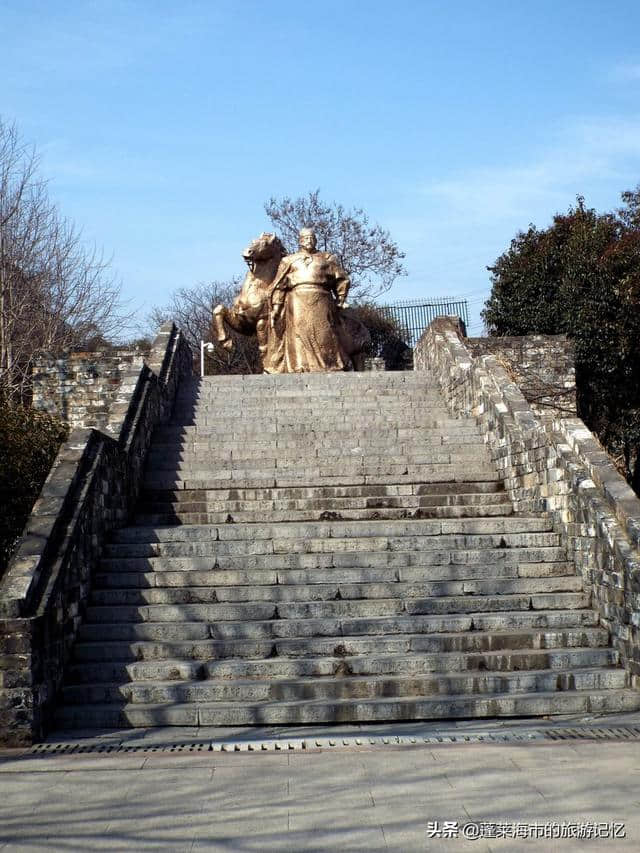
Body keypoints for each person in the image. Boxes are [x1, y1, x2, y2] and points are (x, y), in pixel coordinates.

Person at [269, 228, 353, 372]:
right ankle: (300, 365)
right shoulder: (288, 260)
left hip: (322, 298)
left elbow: (342, 279)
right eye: (306, 238)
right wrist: (277, 307)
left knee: (325, 331)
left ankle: (329, 363)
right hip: (297, 299)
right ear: (300, 241)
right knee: (300, 332)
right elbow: (279, 285)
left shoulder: (327, 258)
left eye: (312, 238)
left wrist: (341, 298)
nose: (309, 241)